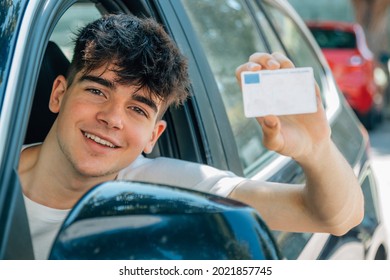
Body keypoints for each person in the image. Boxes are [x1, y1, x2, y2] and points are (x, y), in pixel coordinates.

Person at [18, 14, 364, 260]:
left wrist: (316, 149)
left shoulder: (161, 190)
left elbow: (335, 217)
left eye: (137, 110)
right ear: (58, 94)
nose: (111, 119)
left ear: (154, 135)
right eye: (96, 91)